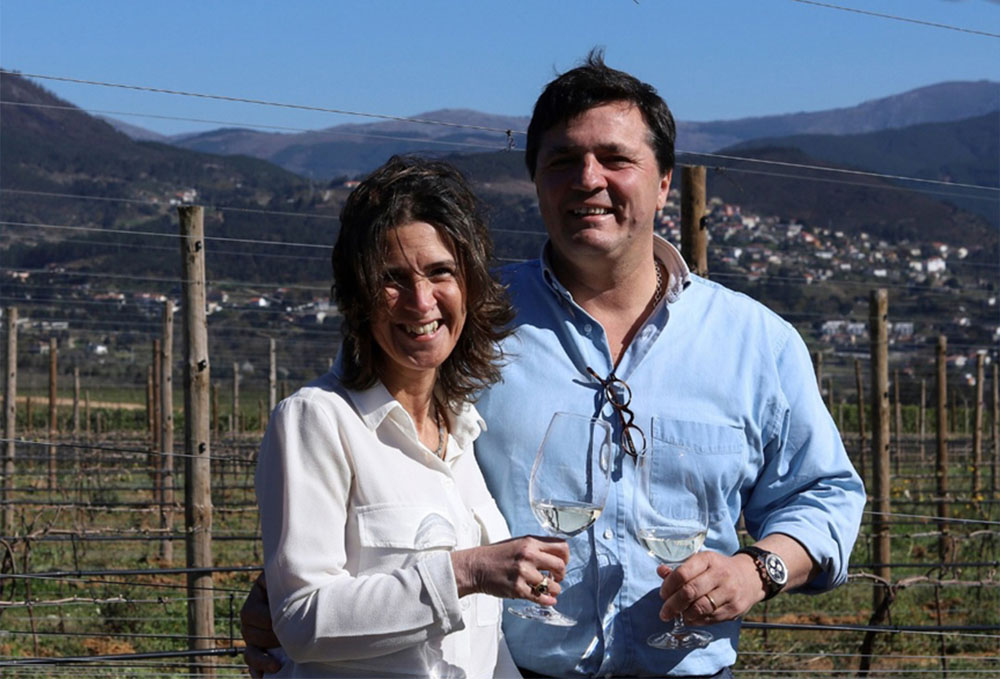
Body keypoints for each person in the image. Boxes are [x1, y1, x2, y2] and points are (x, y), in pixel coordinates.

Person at [244, 51, 865, 678]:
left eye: (616, 159)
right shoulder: (463, 322)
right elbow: (366, 451)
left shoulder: (756, 343)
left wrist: (758, 570)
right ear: (536, 181)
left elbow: (824, 495)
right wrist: (287, 597)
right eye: (563, 161)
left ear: (664, 182)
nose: (588, 179)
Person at [253, 155, 570, 678]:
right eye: (393, 278)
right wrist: (466, 572)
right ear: (359, 295)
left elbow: (481, 638)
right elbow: (301, 621)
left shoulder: (463, 429)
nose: (421, 302)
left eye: (440, 272)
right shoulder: (316, 420)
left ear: (469, 284)